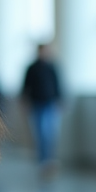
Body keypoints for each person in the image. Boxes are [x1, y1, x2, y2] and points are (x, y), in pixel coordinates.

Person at [21, 43, 61, 172]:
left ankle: (49, 159)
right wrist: (25, 102)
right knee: (41, 133)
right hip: (37, 104)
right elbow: (25, 86)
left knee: (50, 133)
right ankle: (42, 160)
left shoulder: (52, 67)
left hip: (50, 104)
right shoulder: (32, 68)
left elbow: (57, 85)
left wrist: (59, 100)